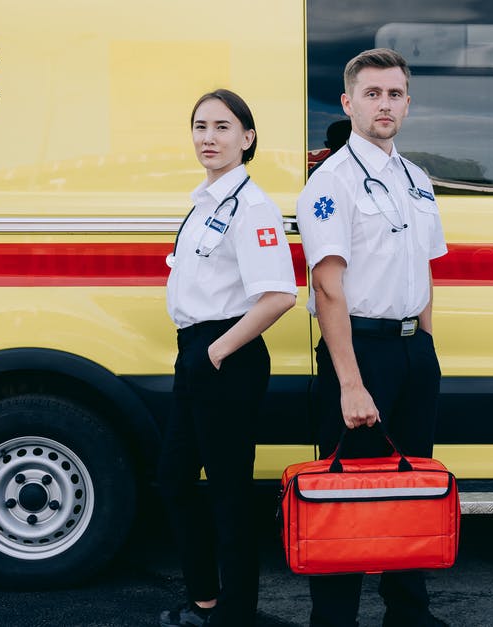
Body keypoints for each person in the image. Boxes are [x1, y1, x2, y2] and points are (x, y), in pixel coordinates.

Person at [295, 49, 449, 627]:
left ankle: (408, 614)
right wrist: (351, 384)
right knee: (345, 496)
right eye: (372, 94)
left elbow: (425, 270)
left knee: (410, 489)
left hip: (413, 352)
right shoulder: (330, 182)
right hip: (359, 356)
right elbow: (328, 288)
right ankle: (334, 620)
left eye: (394, 94)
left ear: (407, 103)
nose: (383, 104)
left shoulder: (417, 179)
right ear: (348, 102)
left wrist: (426, 347)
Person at [158, 89, 297, 627]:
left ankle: (233, 611)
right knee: (173, 479)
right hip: (197, 352)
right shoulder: (204, 201)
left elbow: (280, 295)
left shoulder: (252, 206)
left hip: (226, 354)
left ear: (248, 137)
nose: (208, 137)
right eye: (200, 127)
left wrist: (215, 351)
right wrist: (200, 353)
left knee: (228, 489)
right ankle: (207, 601)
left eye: (221, 127)